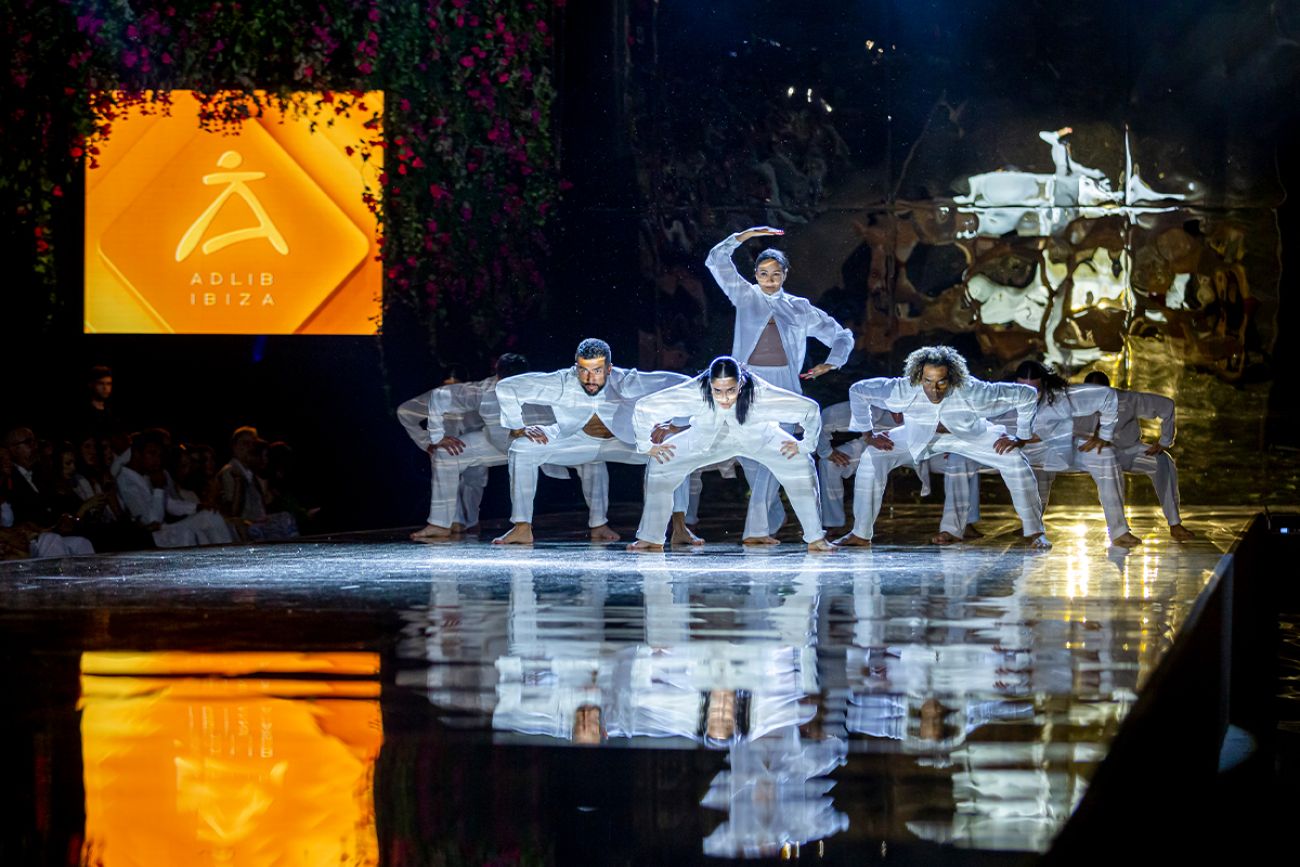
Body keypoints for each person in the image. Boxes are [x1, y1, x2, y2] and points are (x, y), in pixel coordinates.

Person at [706, 226, 853, 543]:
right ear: (755, 274)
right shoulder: (745, 296)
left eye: (775, 273)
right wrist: (745, 235)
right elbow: (716, 259)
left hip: (783, 388)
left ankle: (756, 530)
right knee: (751, 460)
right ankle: (771, 516)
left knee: (775, 454)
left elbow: (840, 334)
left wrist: (832, 361)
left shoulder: (799, 307)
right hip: (745, 388)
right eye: (762, 272)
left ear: (785, 274)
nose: (769, 279)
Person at [833, 345, 1050, 548]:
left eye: (941, 382)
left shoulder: (973, 391)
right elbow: (858, 391)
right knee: (872, 456)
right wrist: (868, 435)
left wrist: (1020, 437)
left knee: (1014, 459)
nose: (934, 390)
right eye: (927, 381)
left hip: (969, 436)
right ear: (919, 378)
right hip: (919, 435)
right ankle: (861, 533)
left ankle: (1035, 531)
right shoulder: (902, 389)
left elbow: (1026, 395)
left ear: (952, 379)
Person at [493, 338, 693, 545]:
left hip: (626, 441)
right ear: (576, 366)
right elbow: (507, 388)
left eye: (597, 371)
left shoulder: (628, 381)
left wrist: (675, 425)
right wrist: (518, 426)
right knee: (522, 448)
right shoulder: (561, 381)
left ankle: (680, 527)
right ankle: (522, 527)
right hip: (578, 439)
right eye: (583, 370)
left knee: (675, 447)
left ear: (609, 369)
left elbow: (684, 384)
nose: (589, 378)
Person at [627, 356, 833, 552]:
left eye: (731, 390)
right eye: (718, 391)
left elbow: (810, 410)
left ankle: (816, 537)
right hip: (707, 441)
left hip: (760, 439)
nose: (725, 397)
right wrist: (646, 446)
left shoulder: (761, 394)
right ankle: (650, 537)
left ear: (741, 383)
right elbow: (644, 408)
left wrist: (805, 445)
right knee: (661, 463)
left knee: (800, 463)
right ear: (710, 384)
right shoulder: (694, 391)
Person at [1079, 371, 1194, 541]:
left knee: (1162, 460)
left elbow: (1166, 406)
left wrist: (1165, 441)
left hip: (1128, 450)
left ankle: (1175, 524)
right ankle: (1119, 532)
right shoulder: (1075, 404)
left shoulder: (1127, 399)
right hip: (1093, 455)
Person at [116, 429, 233, 548]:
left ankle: (227, 557)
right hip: (154, 537)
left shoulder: (144, 475)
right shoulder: (126, 481)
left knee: (210, 514)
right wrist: (158, 488)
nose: (157, 459)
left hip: (165, 530)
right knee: (200, 526)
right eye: (152, 454)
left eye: (159, 455)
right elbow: (152, 521)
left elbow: (167, 503)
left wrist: (198, 507)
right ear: (136, 454)